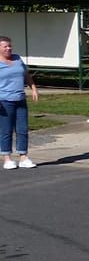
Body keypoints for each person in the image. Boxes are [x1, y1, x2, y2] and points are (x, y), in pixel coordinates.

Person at [0, 35, 40, 169]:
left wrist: (33, 88)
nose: (8, 48)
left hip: (20, 100)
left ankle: (23, 157)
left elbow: (26, 75)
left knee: (22, 129)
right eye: (5, 46)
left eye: (10, 46)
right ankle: (7, 158)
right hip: (4, 101)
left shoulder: (17, 58)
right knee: (6, 130)